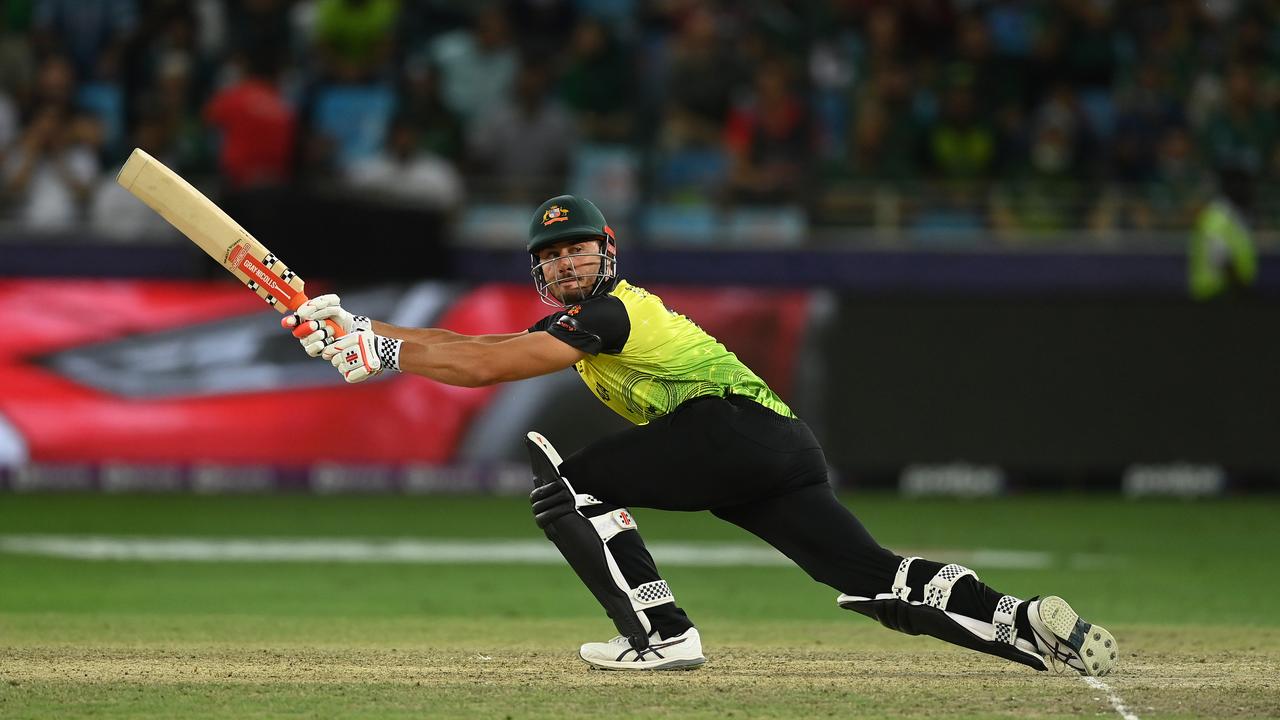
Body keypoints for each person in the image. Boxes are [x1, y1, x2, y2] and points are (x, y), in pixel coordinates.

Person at [284, 195, 1118, 675]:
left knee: (569, 486)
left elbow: (489, 369)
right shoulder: (587, 316)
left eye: (579, 251)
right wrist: (355, 325)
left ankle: (660, 633)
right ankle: (1029, 627)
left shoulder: (612, 312)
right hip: (774, 449)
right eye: (555, 257)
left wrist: (383, 350)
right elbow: (471, 348)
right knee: (872, 583)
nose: (568, 265)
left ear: (607, 254)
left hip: (731, 432)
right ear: (540, 271)